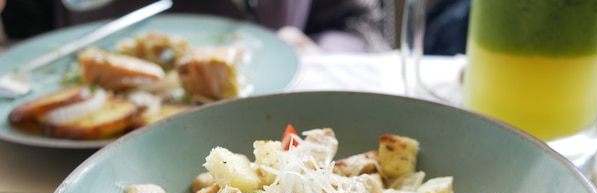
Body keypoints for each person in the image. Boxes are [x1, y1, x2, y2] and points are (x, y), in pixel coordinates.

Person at [0, 0, 395, 52]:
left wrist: (321, 52)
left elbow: (357, 23)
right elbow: (25, 40)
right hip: (52, 169)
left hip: (262, 117)